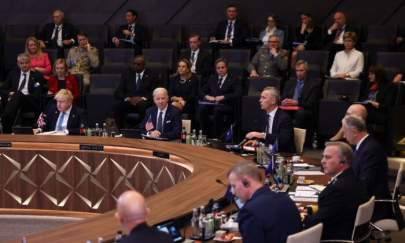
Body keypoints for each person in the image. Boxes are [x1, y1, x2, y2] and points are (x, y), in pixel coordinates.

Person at [303, 141, 367, 240]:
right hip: (343, 227)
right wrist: (310, 209)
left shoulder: (338, 189)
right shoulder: (350, 177)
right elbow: (331, 209)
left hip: (332, 236)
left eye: (328, 157)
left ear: (343, 162)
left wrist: (301, 217)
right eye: (323, 157)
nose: (322, 161)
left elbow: (317, 223)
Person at [227, 162, 301, 243]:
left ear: (246, 182)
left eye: (234, 186)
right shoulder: (286, 199)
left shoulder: (249, 212)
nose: (232, 192)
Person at [341, 115, 392, 220]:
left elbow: (366, 184)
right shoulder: (363, 146)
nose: (344, 136)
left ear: (354, 131)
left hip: (373, 206)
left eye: (345, 131)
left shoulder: (370, 150)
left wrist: (343, 191)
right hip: (366, 198)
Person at [1, 53, 47, 133]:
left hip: (30, 102)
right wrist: (10, 93)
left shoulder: (37, 75)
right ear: (18, 64)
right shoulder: (13, 74)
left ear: (30, 63)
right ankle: (7, 126)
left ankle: (4, 120)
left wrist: (18, 95)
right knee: (16, 96)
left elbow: (37, 95)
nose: (24, 65)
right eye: (22, 63)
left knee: (18, 94)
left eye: (26, 62)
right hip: (13, 101)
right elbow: (3, 89)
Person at [198, 58, 242, 138]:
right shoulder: (212, 78)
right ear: (216, 69)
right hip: (213, 104)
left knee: (217, 110)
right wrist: (207, 96)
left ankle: (216, 137)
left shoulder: (233, 79)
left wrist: (224, 97)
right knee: (202, 108)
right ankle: (204, 135)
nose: (220, 70)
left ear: (226, 68)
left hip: (227, 105)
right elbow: (201, 91)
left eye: (223, 67)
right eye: (218, 68)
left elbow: (238, 93)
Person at [245, 87, 295, 153]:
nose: (260, 100)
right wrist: (257, 142)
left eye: (264, 98)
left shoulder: (284, 118)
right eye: (261, 97)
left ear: (273, 101)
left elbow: (282, 141)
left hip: (282, 155)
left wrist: (261, 135)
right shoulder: (264, 115)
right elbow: (267, 139)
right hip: (266, 153)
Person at [113, 55, 155, 129]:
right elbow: (118, 91)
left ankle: (142, 130)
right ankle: (121, 130)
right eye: (134, 64)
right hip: (130, 101)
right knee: (117, 106)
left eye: (138, 64)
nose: (135, 66)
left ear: (144, 65)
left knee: (143, 106)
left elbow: (154, 91)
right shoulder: (127, 74)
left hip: (143, 102)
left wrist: (143, 98)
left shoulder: (152, 75)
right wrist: (128, 98)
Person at [281, 60, 321, 130]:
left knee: (300, 113)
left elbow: (311, 103)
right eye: (297, 71)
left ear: (306, 71)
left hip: (304, 109)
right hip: (289, 108)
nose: (298, 73)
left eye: (301, 71)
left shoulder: (314, 84)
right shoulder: (289, 83)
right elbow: (283, 97)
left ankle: (297, 138)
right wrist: (284, 101)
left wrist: (297, 103)